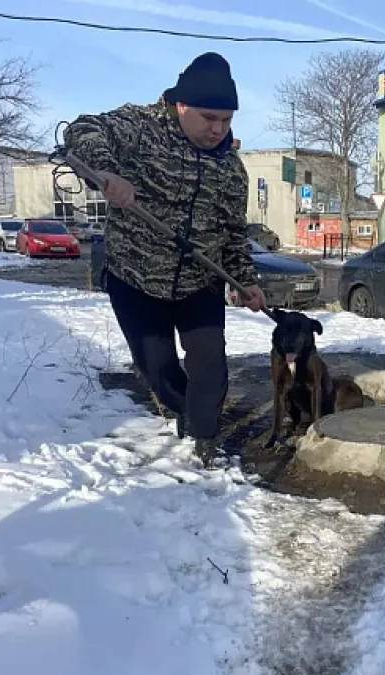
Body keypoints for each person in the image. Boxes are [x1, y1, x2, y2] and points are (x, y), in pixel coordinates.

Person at [64, 52, 267, 467]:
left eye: (227, 120)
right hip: (135, 276)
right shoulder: (140, 128)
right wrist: (106, 173)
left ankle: (205, 441)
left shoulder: (230, 168)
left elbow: (232, 234)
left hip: (199, 281)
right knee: (157, 368)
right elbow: (83, 130)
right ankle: (182, 411)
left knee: (210, 370)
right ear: (181, 105)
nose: (218, 130)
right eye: (209, 118)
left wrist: (245, 279)